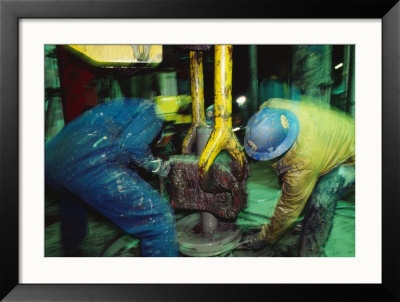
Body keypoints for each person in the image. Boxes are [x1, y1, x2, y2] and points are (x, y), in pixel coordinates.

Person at [45, 98, 179, 257]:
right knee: (159, 219)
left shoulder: (121, 108)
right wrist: (156, 165)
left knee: (73, 200)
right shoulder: (154, 111)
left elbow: (123, 156)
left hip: (50, 162)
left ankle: (71, 251)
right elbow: (135, 146)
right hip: (88, 164)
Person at [242, 98, 355, 256]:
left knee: (321, 199)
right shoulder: (270, 107)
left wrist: (266, 237)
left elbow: (287, 208)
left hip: (350, 155)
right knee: (295, 187)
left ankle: (310, 252)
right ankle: (301, 222)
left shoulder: (302, 162)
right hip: (331, 134)